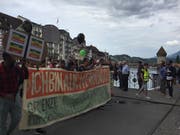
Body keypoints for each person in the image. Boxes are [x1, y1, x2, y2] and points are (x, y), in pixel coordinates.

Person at [0, 52, 24, 135]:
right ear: (6, 58)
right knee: (2, 122)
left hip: (14, 96)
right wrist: (5, 95)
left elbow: (24, 76)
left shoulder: (16, 68)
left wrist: (24, 67)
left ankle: (8, 133)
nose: (14, 58)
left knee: (17, 118)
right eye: (12, 57)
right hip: (2, 99)